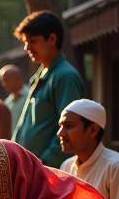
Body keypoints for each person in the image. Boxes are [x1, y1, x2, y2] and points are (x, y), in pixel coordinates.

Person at [12, 10, 85, 168]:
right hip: (30, 170)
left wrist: (43, 163)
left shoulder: (64, 76)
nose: (27, 47)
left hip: (48, 172)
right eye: (25, 42)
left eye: (33, 41)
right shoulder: (41, 74)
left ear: (52, 39)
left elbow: (70, 130)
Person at [58, 99, 119, 199]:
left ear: (93, 130)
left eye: (68, 126)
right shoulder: (66, 166)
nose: (60, 133)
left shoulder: (114, 167)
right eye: (60, 126)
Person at [0, 65, 29, 132]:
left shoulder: (31, 96)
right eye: (2, 81)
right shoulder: (7, 103)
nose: (3, 84)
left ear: (17, 78)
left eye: (6, 80)